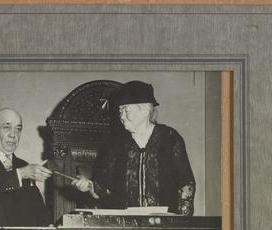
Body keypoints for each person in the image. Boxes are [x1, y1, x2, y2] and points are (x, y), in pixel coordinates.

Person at [72, 80, 196, 216]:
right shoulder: (115, 145)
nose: (122, 117)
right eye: (120, 111)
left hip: (164, 226)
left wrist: (182, 223)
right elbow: (104, 187)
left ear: (145, 111)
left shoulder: (170, 139)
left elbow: (185, 183)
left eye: (127, 110)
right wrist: (90, 186)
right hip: (126, 227)